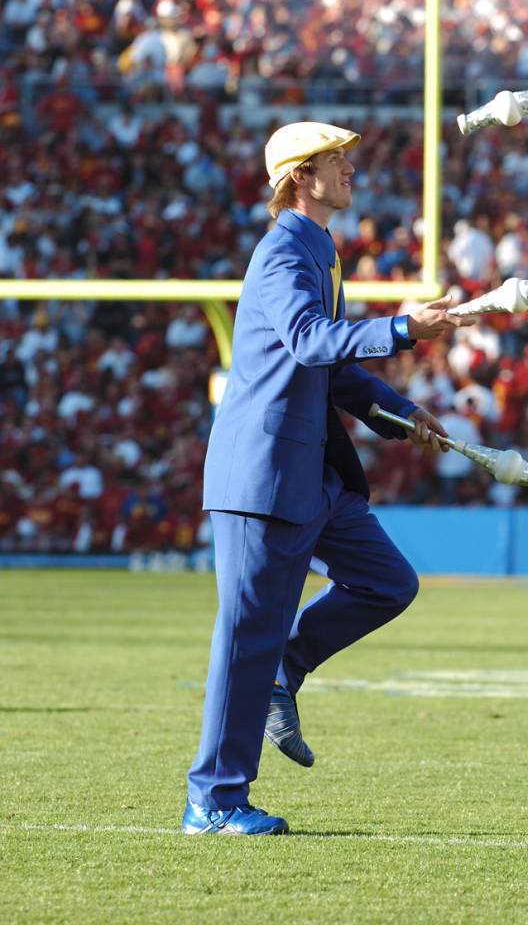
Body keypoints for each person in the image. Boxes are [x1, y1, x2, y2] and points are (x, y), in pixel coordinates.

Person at [182, 122, 475, 836]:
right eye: (336, 159)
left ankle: (290, 661)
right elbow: (311, 341)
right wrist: (404, 329)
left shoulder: (319, 246)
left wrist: (404, 414)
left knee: (387, 582)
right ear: (300, 176)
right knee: (243, 636)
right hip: (264, 478)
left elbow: (332, 368)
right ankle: (213, 802)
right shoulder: (284, 250)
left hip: (309, 475)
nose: (351, 166)